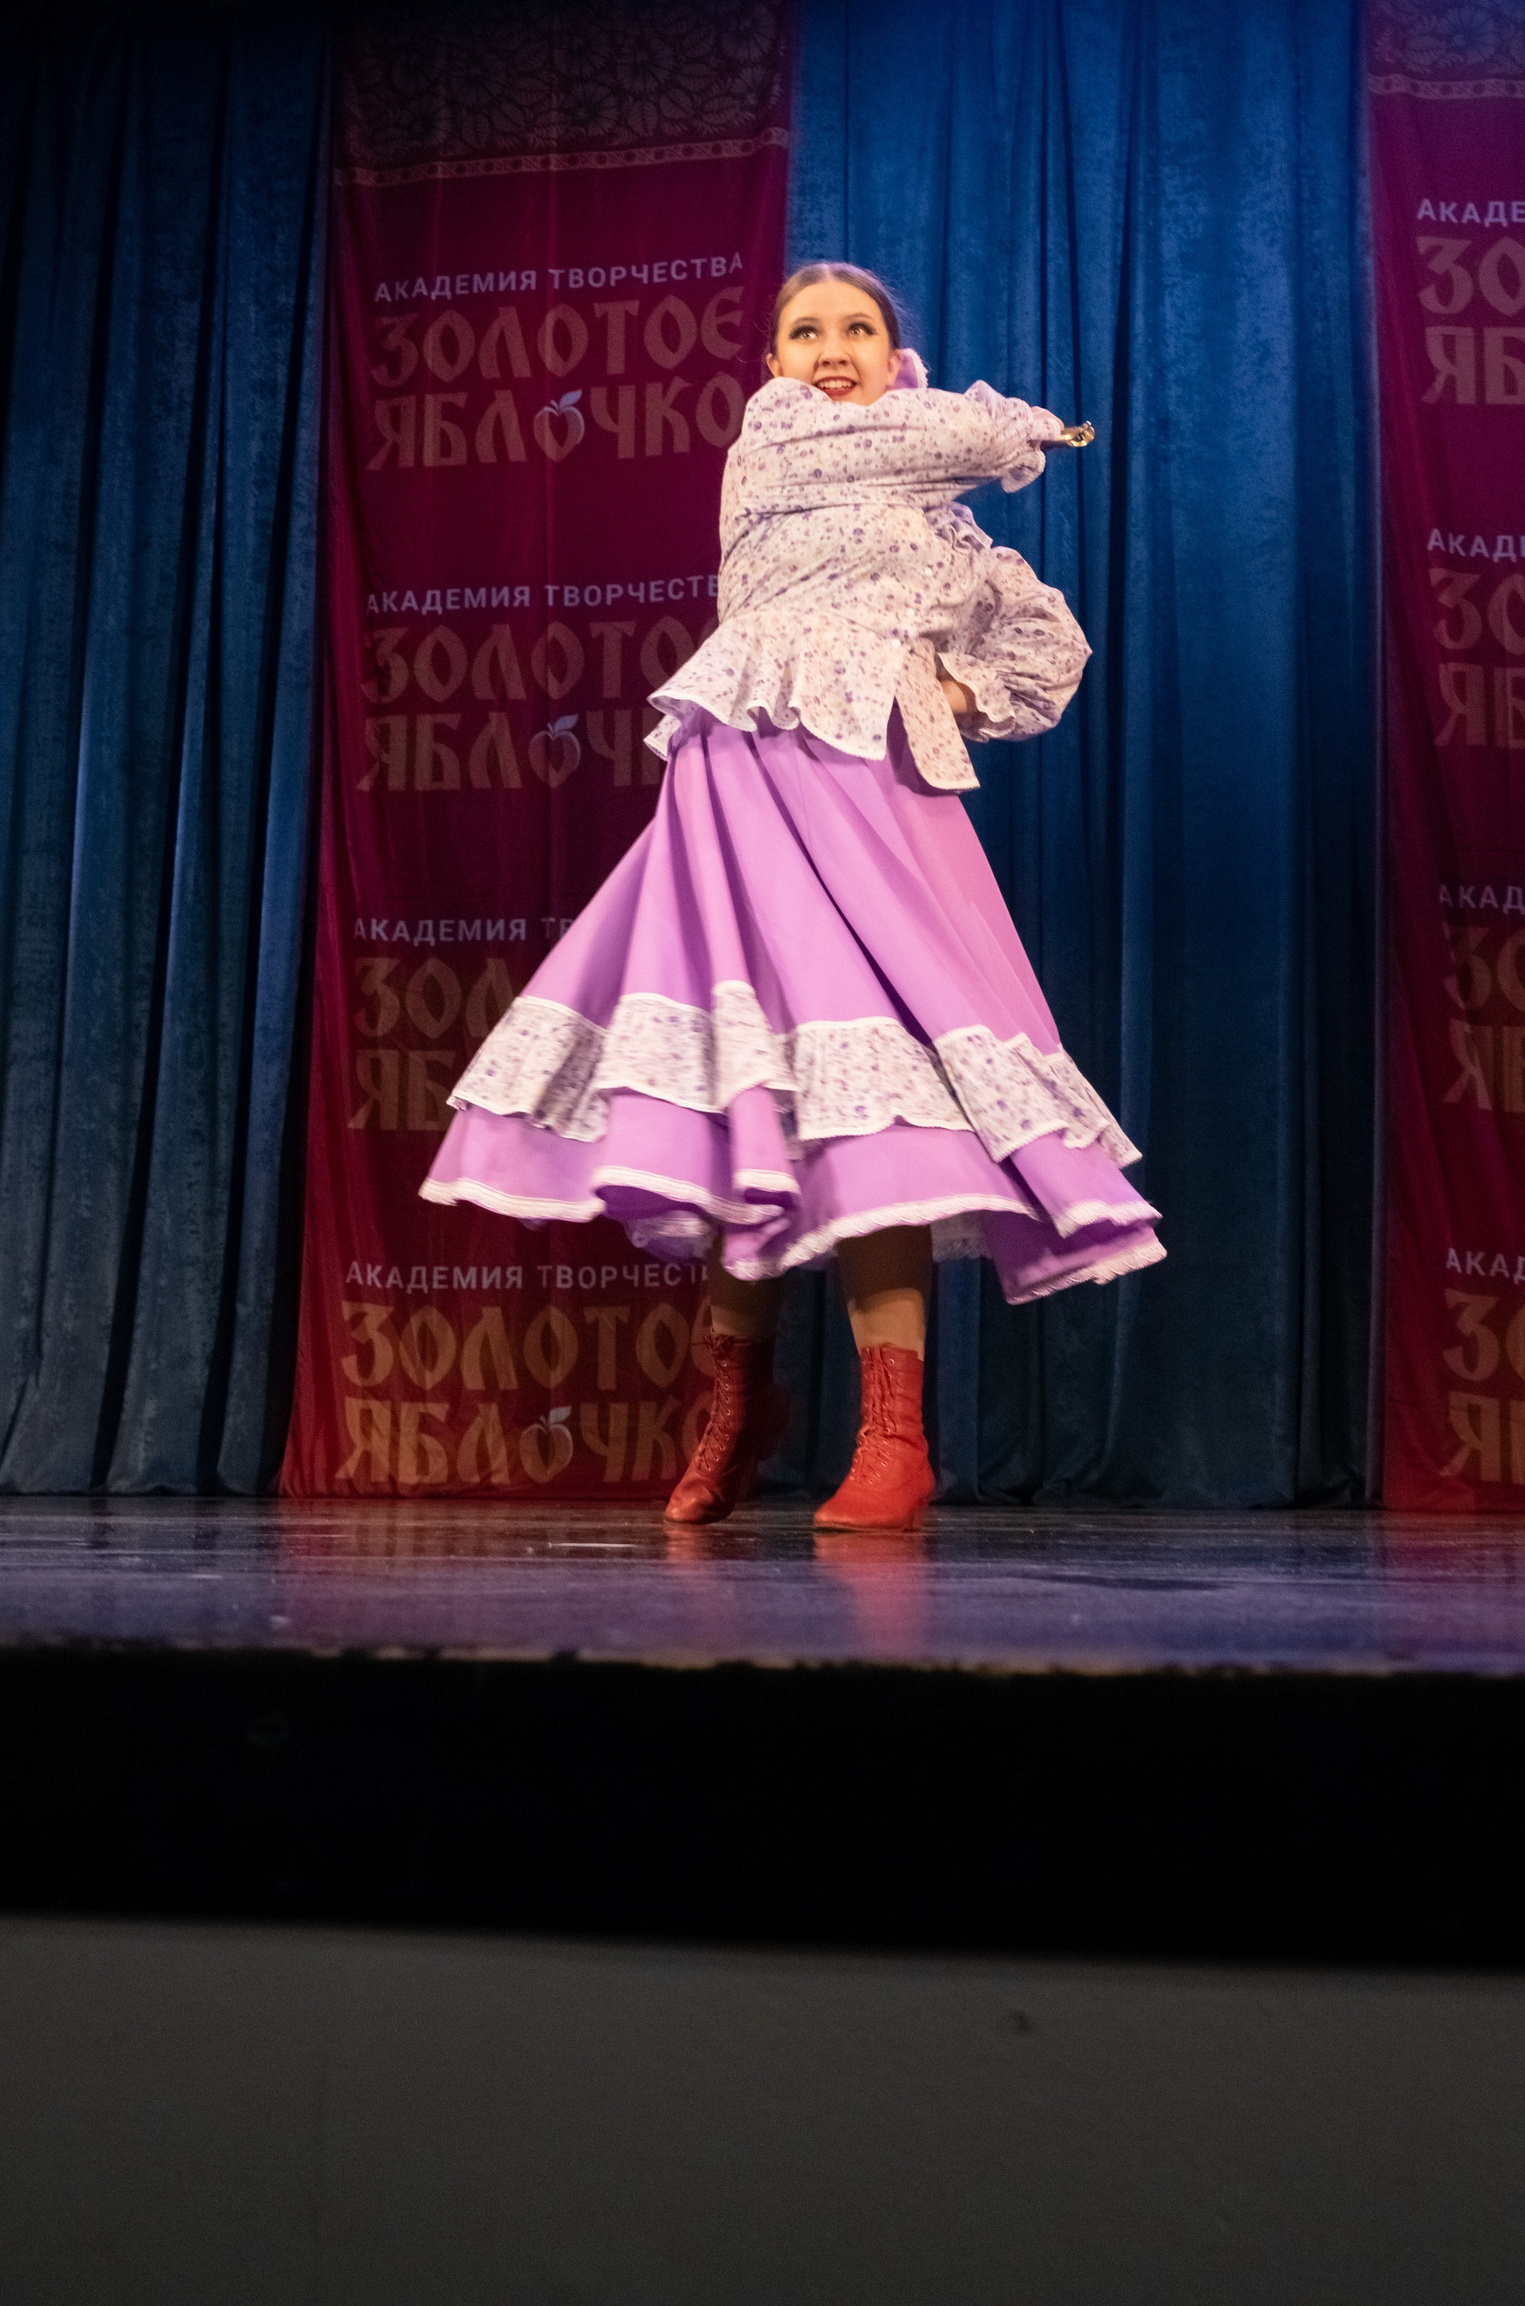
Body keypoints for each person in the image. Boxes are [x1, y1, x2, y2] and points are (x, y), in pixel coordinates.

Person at [423, 263, 1163, 1529]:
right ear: (771, 364)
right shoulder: (779, 442)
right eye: (805, 331)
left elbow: (1049, 645)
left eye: (859, 330)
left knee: (880, 1104)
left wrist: (946, 691)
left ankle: (893, 1437)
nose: (830, 348)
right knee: (748, 1095)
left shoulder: (943, 528)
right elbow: (955, 438)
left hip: (880, 809)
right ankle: (733, 1402)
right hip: (745, 791)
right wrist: (1016, 429)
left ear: (895, 356)